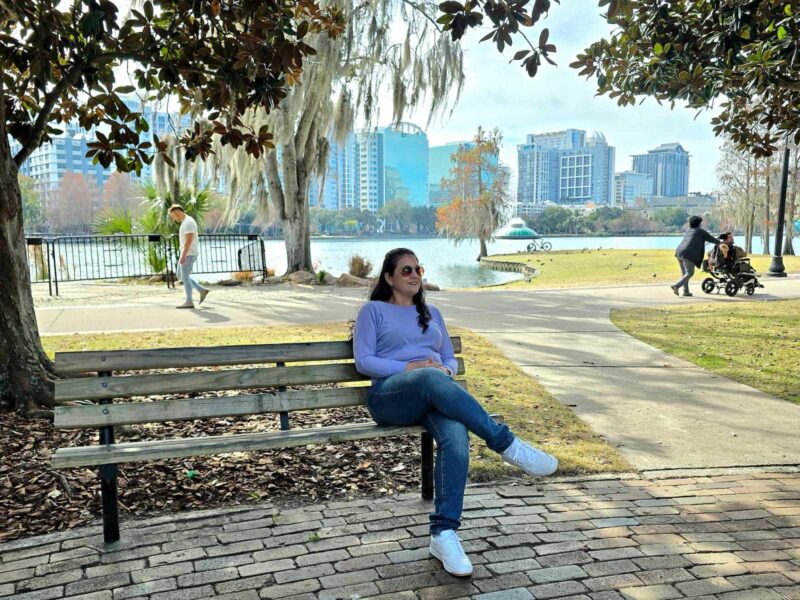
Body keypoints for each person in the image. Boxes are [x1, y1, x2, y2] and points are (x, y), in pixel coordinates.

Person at [352, 248, 558, 578]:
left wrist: (443, 374)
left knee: (456, 435)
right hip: (392, 397)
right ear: (389, 278)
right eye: (405, 271)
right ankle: (506, 444)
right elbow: (364, 360)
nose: (414, 275)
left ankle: (443, 534)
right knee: (428, 377)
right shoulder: (373, 312)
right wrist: (410, 366)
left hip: (434, 394)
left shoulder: (432, 312)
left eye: (417, 268)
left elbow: (448, 359)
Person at [168, 204, 209, 309]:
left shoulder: (188, 223)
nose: (173, 219)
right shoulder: (186, 221)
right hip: (186, 253)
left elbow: (189, 240)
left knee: (185, 277)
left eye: (173, 216)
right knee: (180, 275)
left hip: (188, 253)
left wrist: (183, 255)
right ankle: (201, 290)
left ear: (177, 213)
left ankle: (189, 301)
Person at [671, 215, 719, 297]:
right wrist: (721, 243)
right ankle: (676, 286)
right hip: (688, 253)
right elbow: (712, 240)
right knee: (690, 273)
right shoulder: (701, 232)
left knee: (685, 274)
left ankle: (686, 291)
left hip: (679, 252)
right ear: (699, 224)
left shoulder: (688, 230)